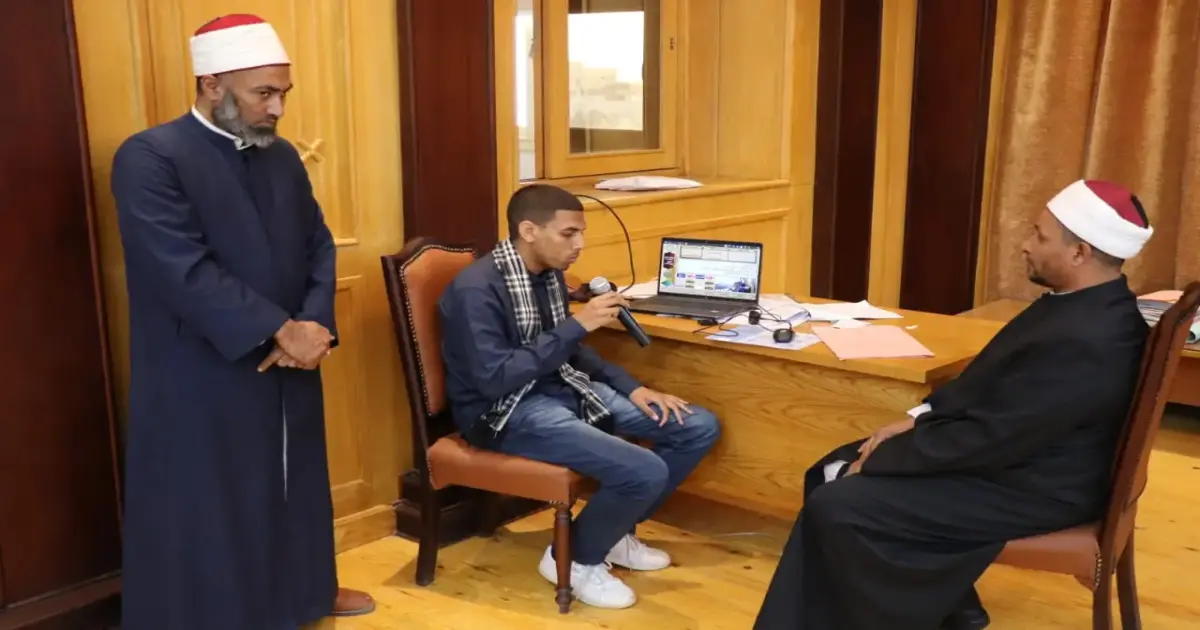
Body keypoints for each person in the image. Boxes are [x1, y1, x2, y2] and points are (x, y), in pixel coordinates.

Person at [754, 179, 1155, 629]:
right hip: (1018, 461)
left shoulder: (1089, 340)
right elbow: (987, 382)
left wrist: (886, 458)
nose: (1026, 245)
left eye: (1040, 237)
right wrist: (918, 418)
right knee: (830, 469)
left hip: (1035, 487)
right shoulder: (1085, 306)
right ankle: (954, 612)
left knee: (839, 502)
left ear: (1079, 253)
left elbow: (994, 437)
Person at [111, 14, 373, 630]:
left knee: (294, 482)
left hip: (291, 356)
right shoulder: (151, 156)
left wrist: (314, 325)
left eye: (283, 93)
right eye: (264, 93)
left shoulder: (280, 156)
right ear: (212, 85)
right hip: (200, 364)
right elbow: (180, 267)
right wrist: (280, 329)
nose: (277, 107)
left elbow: (318, 244)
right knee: (214, 497)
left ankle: (303, 595)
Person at [439, 184, 722, 609]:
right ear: (529, 231)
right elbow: (495, 380)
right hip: (503, 412)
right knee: (644, 470)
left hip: (559, 387)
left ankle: (612, 533)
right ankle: (573, 558)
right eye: (568, 234)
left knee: (696, 426)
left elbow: (570, 351)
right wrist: (577, 325)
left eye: (581, 233)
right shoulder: (475, 290)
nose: (580, 245)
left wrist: (633, 387)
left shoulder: (548, 274)